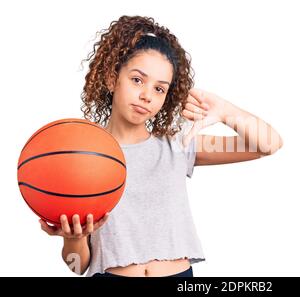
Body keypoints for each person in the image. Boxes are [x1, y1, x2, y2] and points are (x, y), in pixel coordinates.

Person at [39, 15, 283, 277]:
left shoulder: (177, 146)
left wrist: (224, 110)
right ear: (112, 79)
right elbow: (78, 266)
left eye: (159, 89)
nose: (147, 95)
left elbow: (269, 143)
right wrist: (73, 239)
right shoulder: (85, 156)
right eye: (137, 80)